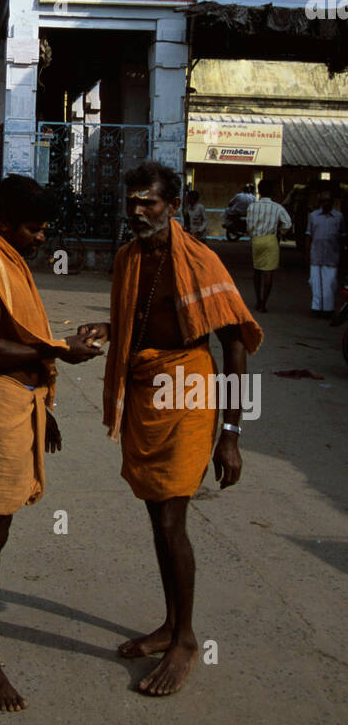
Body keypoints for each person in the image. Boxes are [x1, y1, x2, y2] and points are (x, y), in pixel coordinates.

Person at [79, 161, 262, 697]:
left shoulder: (201, 261)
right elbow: (143, 318)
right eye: (131, 203)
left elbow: (234, 344)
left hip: (189, 389)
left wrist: (232, 432)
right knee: (157, 511)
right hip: (145, 386)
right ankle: (170, 623)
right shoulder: (127, 258)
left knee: (170, 520)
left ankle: (184, 638)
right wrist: (110, 329)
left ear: (173, 207)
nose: (137, 212)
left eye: (149, 204)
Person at [0, 174, 102, 711]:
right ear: (7, 224)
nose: (41, 239)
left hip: (21, 401)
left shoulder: (9, 257)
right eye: (34, 229)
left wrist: (45, 408)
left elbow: (19, 339)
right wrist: (59, 350)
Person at [245, 177, 291, 313]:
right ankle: (264, 303)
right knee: (268, 272)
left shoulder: (252, 206)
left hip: (257, 240)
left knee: (257, 270)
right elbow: (288, 223)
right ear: (272, 192)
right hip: (271, 239)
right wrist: (281, 232)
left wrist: (253, 234)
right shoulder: (277, 207)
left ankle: (258, 299)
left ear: (259, 191)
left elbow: (249, 226)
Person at [305, 188, 346, 319]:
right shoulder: (313, 216)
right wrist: (306, 253)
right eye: (323, 201)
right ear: (320, 202)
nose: (326, 203)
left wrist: (343, 254)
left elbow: (343, 237)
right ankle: (316, 308)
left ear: (332, 202)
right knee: (315, 283)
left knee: (330, 284)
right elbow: (308, 235)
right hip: (316, 254)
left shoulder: (339, 217)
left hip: (332, 255)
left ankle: (328, 309)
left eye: (328, 201)